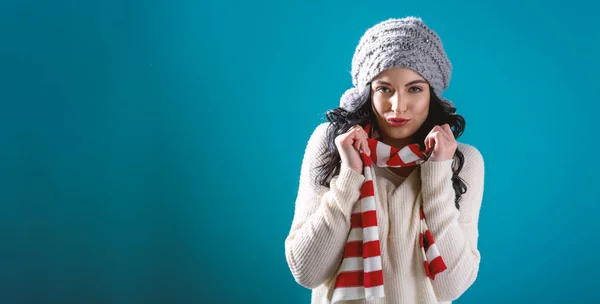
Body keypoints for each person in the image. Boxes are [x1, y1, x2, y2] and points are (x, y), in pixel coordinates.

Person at [284, 17, 485, 304]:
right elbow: (306, 271)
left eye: (414, 88)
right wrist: (350, 177)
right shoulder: (333, 145)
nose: (398, 106)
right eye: (384, 89)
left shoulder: (461, 161)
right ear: (367, 92)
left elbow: (451, 286)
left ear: (432, 94)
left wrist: (438, 174)